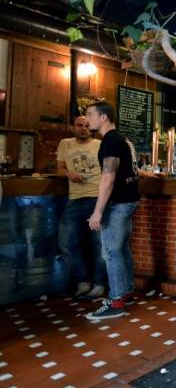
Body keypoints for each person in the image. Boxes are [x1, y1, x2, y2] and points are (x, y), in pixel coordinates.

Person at [85, 101, 140, 320]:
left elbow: (108, 178)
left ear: (103, 117)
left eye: (90, 114)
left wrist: (97, 212)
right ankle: (126, 291)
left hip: (118, 204)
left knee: (110, 251)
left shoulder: (110, 141)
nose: (87, 119)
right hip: (128, 201)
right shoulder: (121, 139)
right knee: (121, 249)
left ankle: (116, 301)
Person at [57, 115, 106, 298]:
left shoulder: (100, 144)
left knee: (99, 245)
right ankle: (82, 281)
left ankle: (100, 283)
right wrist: (69, 174)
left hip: (97, 198)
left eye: (87, 125)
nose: (83, 128)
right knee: (66, 243)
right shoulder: (65, 144)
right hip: (74, 199)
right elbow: (59, 168)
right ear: (73, 127)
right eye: (79, 125)